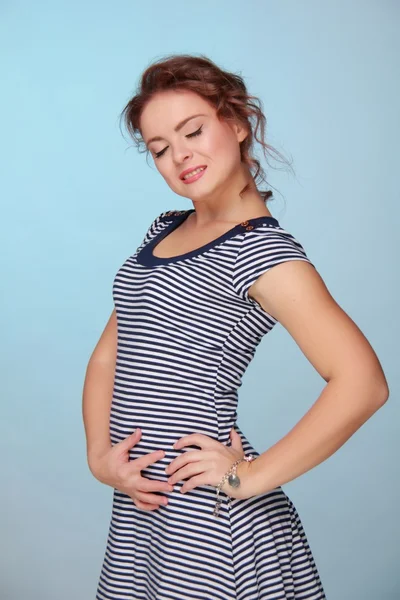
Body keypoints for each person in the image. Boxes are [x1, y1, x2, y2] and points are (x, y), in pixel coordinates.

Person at [83, 54, 389, 600]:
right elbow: (110, 353)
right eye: (159, 149)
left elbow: (362, 383)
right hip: (139, 506)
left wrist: (245, 477)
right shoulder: (163, 230)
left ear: (238, 122)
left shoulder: (262, 251)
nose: (180, 156)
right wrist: (99, 457)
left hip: (206, 517)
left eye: (193, 131)